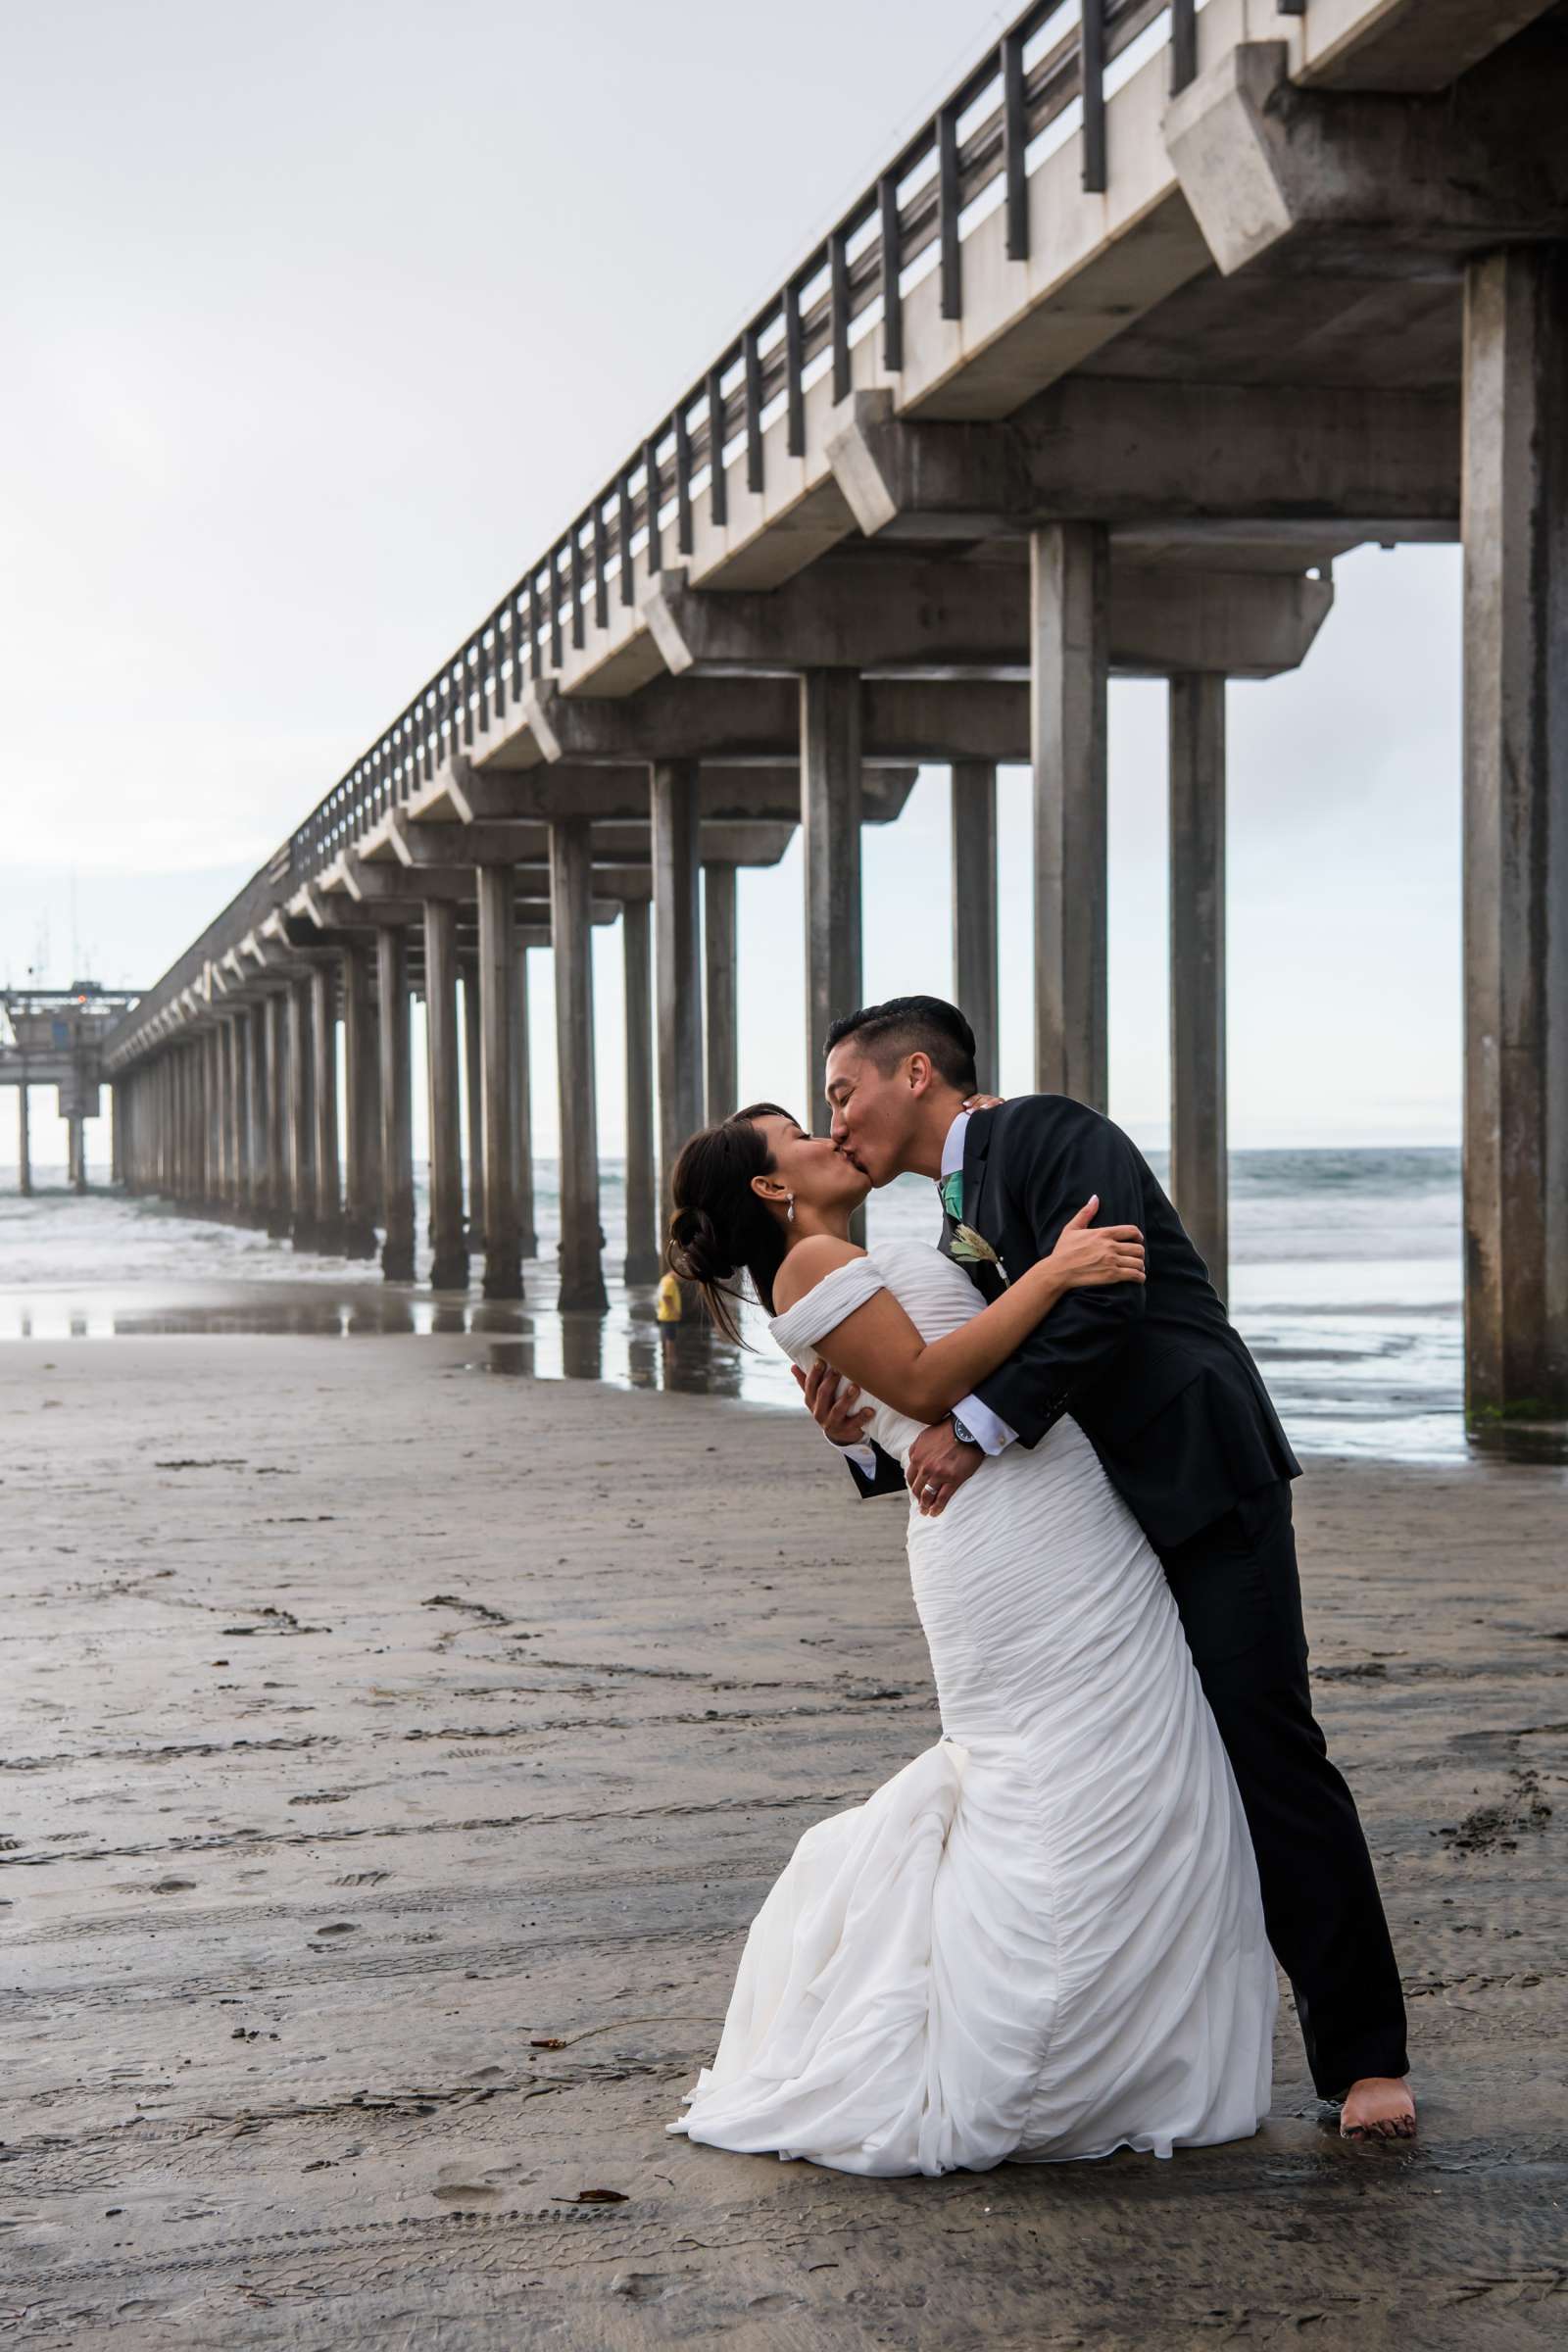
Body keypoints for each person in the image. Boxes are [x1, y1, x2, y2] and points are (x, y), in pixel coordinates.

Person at [798, 995, 1412, 2146]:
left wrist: (971, 1428)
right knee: (1141, 1771)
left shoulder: (1052, 1134)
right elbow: (969, 1372)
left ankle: (1365, 2058)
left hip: (1200, 1477)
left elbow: (1106, 1305)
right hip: (1100, 1521)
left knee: (1268, 1746)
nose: (837, 1122)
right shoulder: (950, 1219)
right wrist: (866, 1438)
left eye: (843, 1091)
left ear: (917, 1073)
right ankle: (1129, 2037)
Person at [661, 1100, 1278, 2177]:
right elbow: (931, 1386)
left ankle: (1128, 2043)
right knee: (1054, 1776)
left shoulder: (835, 1256)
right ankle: (1047, 2054)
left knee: (1137, 1756)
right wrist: (1055, 1270)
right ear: (771, 1186)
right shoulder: (810, 1260)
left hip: (1057, 1512)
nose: (830, 1135)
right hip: (1007, 1534)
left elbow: (897, 1404)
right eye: (804, 1134)